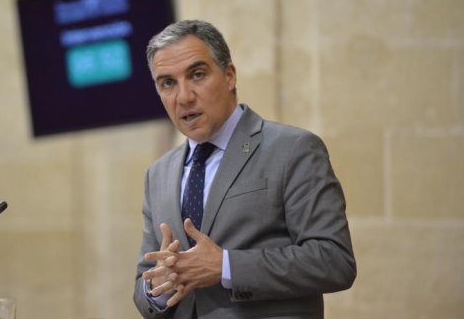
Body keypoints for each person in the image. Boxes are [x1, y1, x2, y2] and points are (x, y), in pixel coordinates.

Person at [133, 20, 356, 319]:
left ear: (229, 76)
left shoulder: (293, 149)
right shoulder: (158, 173)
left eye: (197, 75)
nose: (183, 96)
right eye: (167, 83)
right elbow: (144, 282)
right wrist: (156, 288)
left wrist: (225, 266)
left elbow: (335, 262)